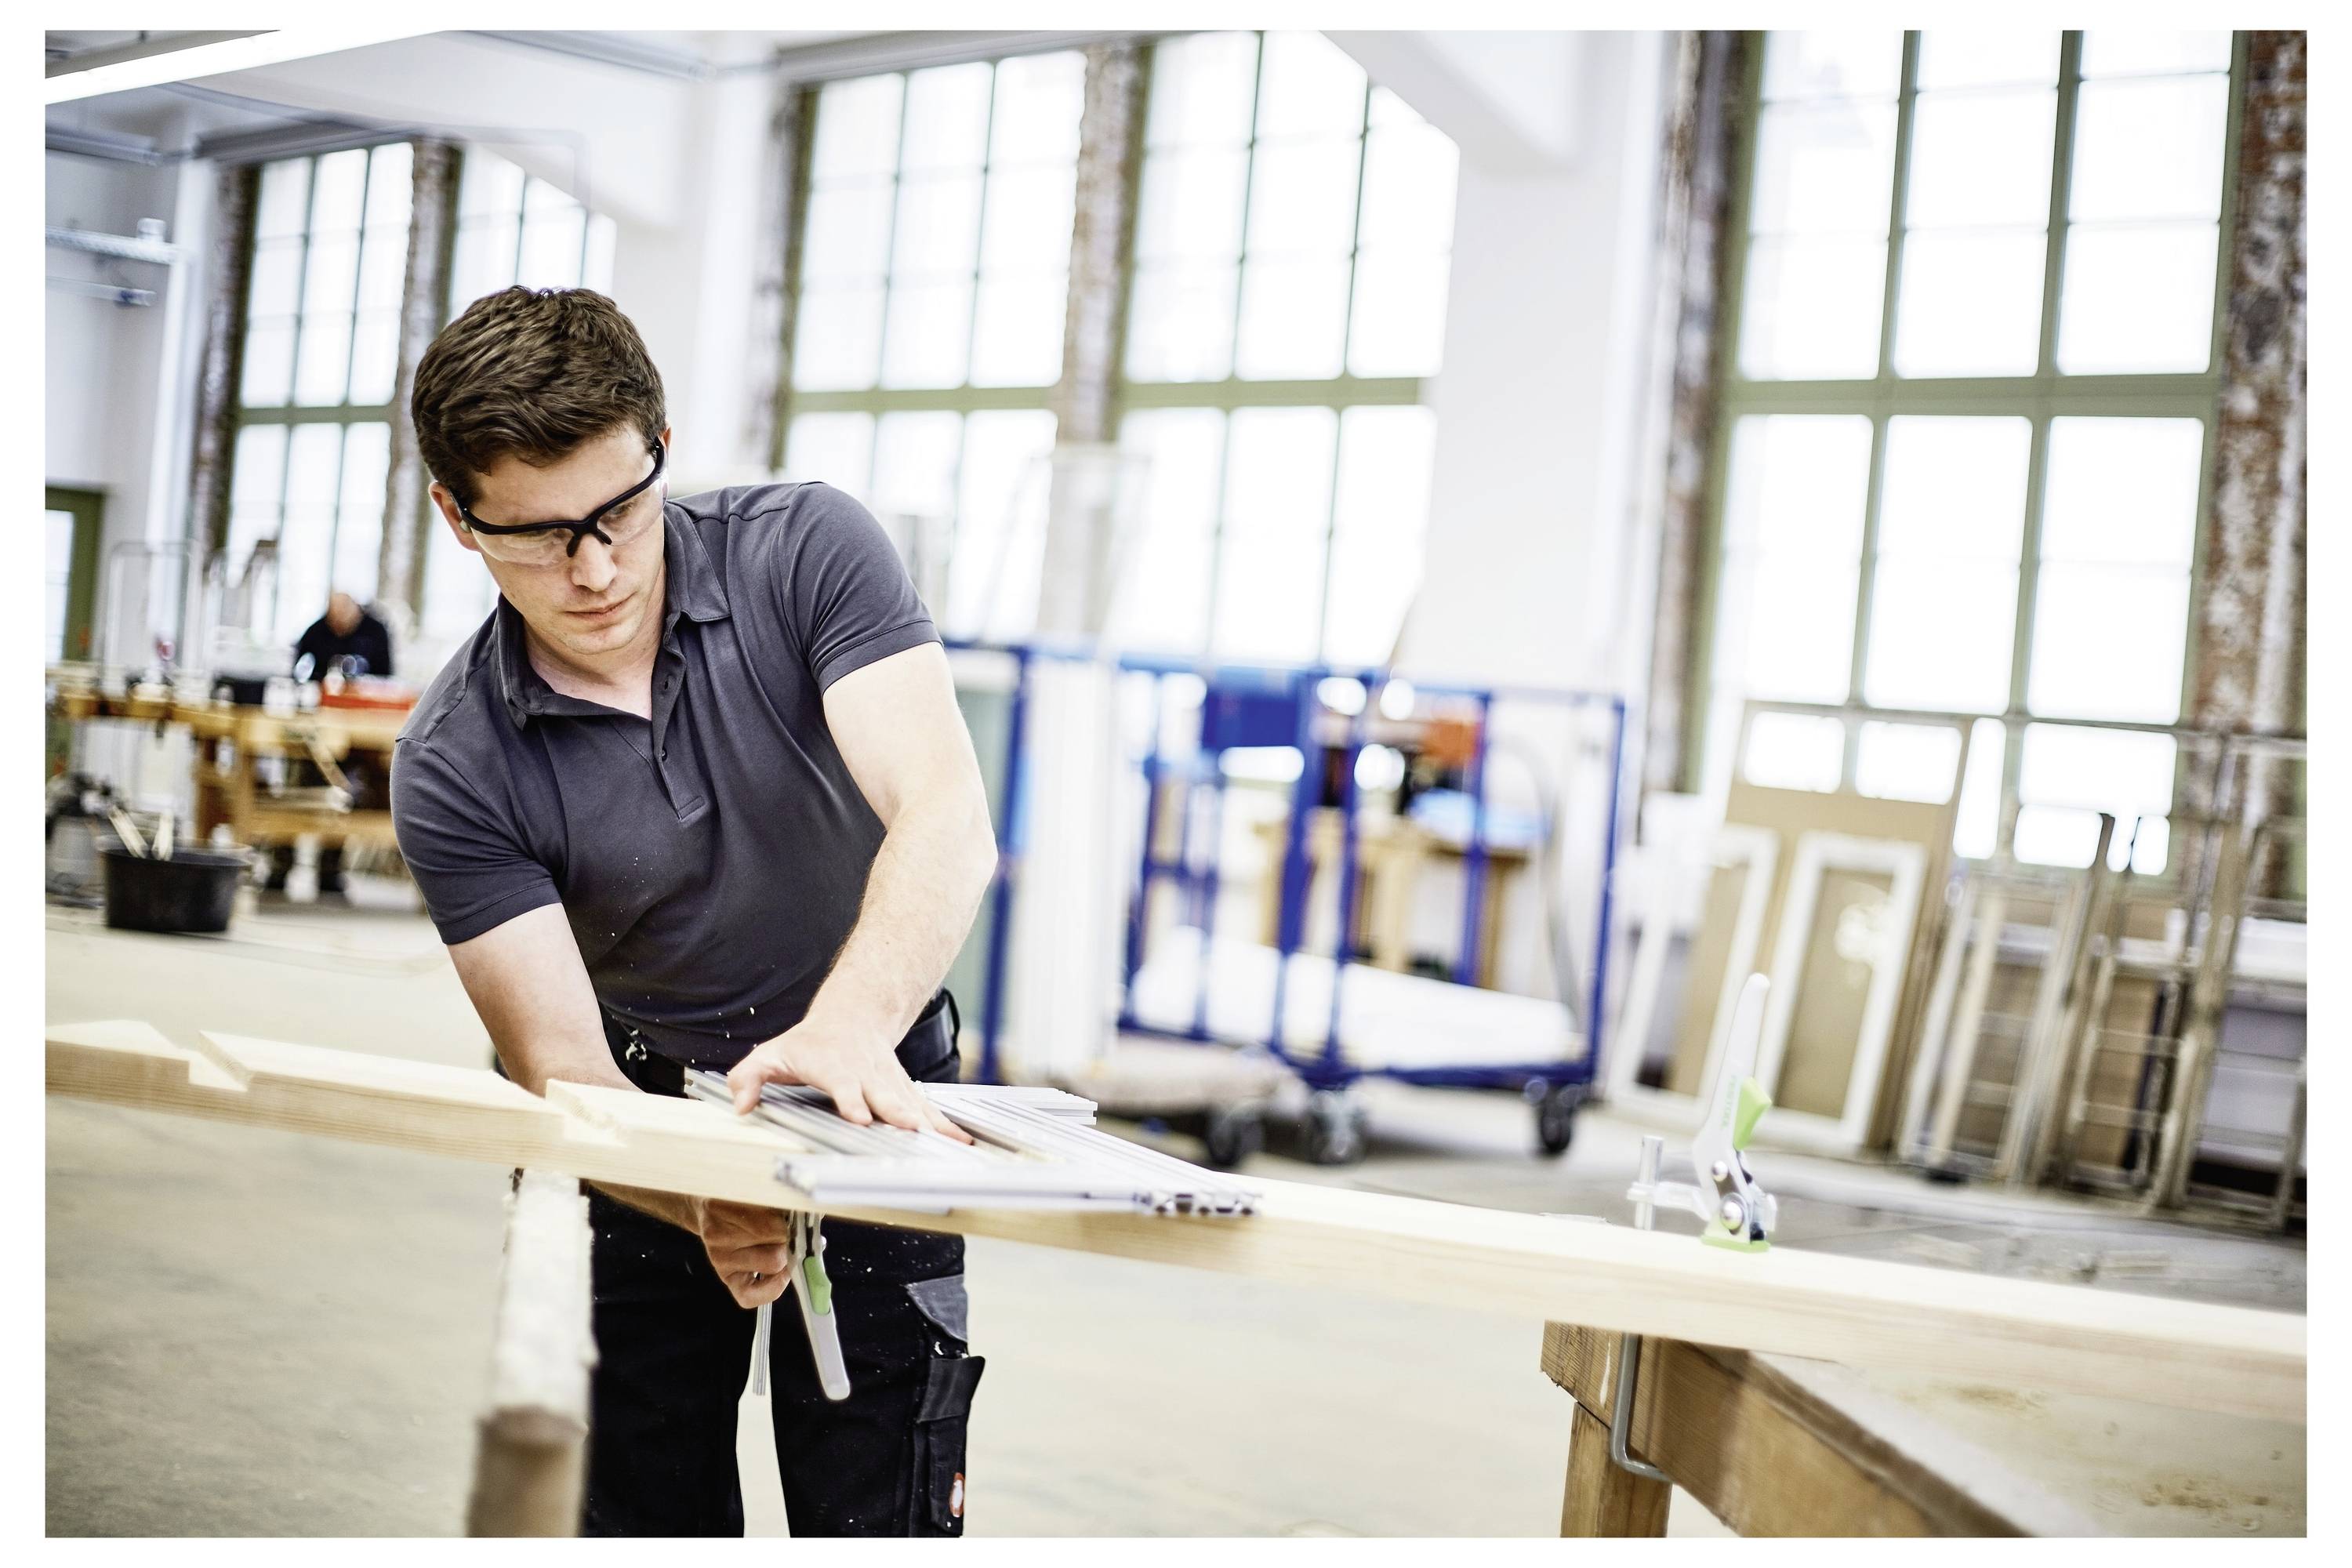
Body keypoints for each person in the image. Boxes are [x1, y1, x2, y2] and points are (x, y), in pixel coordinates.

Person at [390, 287, 998, 1537]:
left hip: (874, 1084)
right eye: (540, 536)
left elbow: (946, 814)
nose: (596, 568)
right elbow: (557, 1064)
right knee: (634, 1508)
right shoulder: (455, 764)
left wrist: (847, 1033)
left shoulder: (808, 549)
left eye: (618, 511)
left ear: (658, 442)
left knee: (881, 1503)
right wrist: (694, 1190)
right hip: (636, 1116)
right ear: (458, 516)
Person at [267, 592, 396, 897]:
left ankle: (330, 872)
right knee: (297, 784)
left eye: (342, 619)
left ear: (355, 612)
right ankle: (279, 865)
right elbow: (295, 667)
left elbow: (389, 677)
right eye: (332, 619)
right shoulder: (318, 629)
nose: (337, 625)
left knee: (346, 793)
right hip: (318, 723)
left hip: (362, 728)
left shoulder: (375, 631)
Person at [292, 590, 394, 683]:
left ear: (356, 612)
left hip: (366, 692)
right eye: (334, 620)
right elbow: (296, 664)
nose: (339, 624)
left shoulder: (375, 631)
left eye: (344, 616)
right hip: (324, 691)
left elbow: (386, 675)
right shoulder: (316, 630)